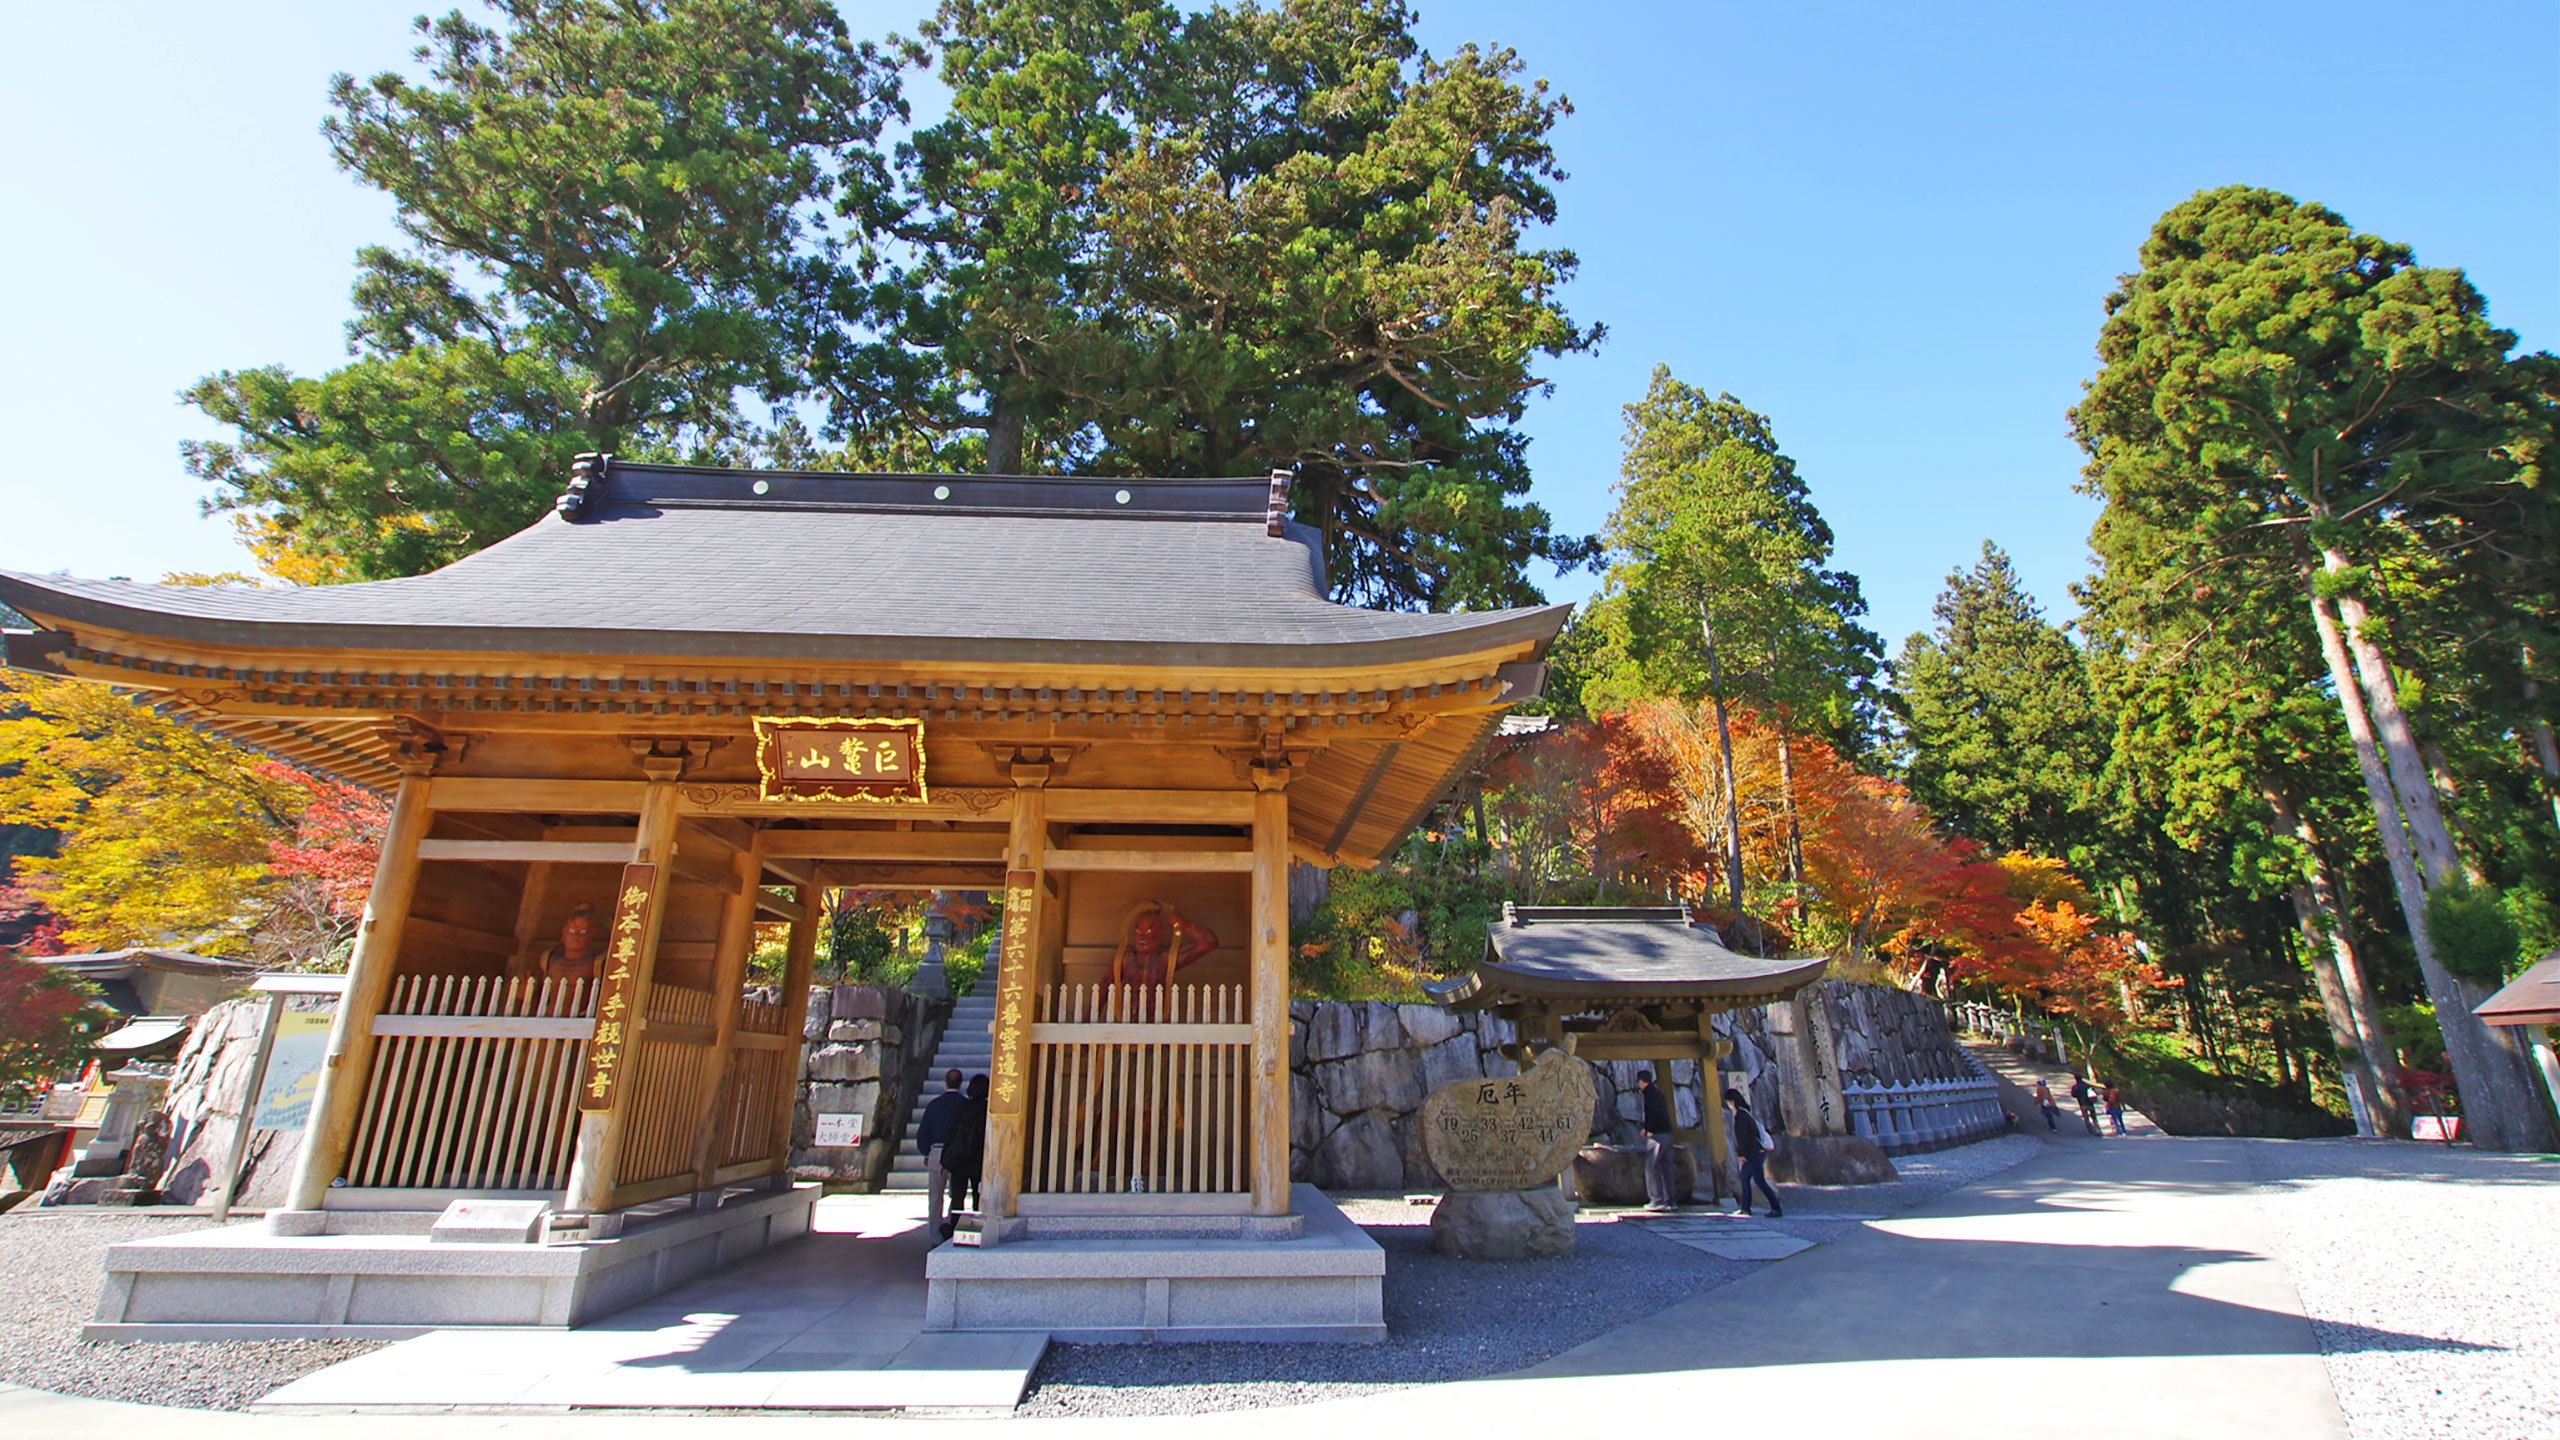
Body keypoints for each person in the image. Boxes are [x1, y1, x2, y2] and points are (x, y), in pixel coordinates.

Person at [1110, 901, 1218, 991]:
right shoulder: (1123, 960)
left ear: (1162, 934)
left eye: (1148, 932)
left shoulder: (1166, 960)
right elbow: (1103, 989)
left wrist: (1186, 925)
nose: (1142, 937)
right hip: (1125, 1016)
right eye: (1138, 932)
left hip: (1158, 1015)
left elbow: (1209, 942)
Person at [939, 1074, 990, 1235]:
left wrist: (945, 1160)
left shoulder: (963, 1107)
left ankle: (955, 1226)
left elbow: (952, 1134)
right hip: (979, 1160)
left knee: (957, 1198)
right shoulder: (989, 1110)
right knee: (978, 1195)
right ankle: (977, 1226)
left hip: (960, 1159)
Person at [916, 1069, 966, 1226]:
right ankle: (952, 1227)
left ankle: (935, 1234)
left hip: (936, 1151)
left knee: (936, 1197)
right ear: (961, 1084)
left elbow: (922, 1132)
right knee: (957, 1195)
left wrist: (926, 1153)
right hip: (958, 1153)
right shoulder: (964, 1105)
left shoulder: (934, 1105)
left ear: (945, 1083)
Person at [1724, 1089, 1783, 1217]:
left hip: (1753, 1153)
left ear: (1732, 1102)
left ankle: (1776, 1208)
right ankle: (1746, 1208)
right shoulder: (1745, 1113)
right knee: (1745, 1179)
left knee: (1759, 1181)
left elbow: (1742, 1137)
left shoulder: (1740, 1116)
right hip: (1755, 1151)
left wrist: (1740, 1154)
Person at [1636, 1070, 1677, 1211]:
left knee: (1651, 1167)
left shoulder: (1649, 1095)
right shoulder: (1658, 1093)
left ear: (1642, 1081)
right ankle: (1671, 1200)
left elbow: (1652, 1114)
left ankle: (1657, 1200)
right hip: (1668, 1134)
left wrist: (1648, 1130)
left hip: (1657, 1136)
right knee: (1667, 1168)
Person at [538, 902, 604, 981]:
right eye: (571, 931)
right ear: (564, 931)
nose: (576, 936)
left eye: (582, 932)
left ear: (592, 933)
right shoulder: (550, 959)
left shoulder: (594, 963)